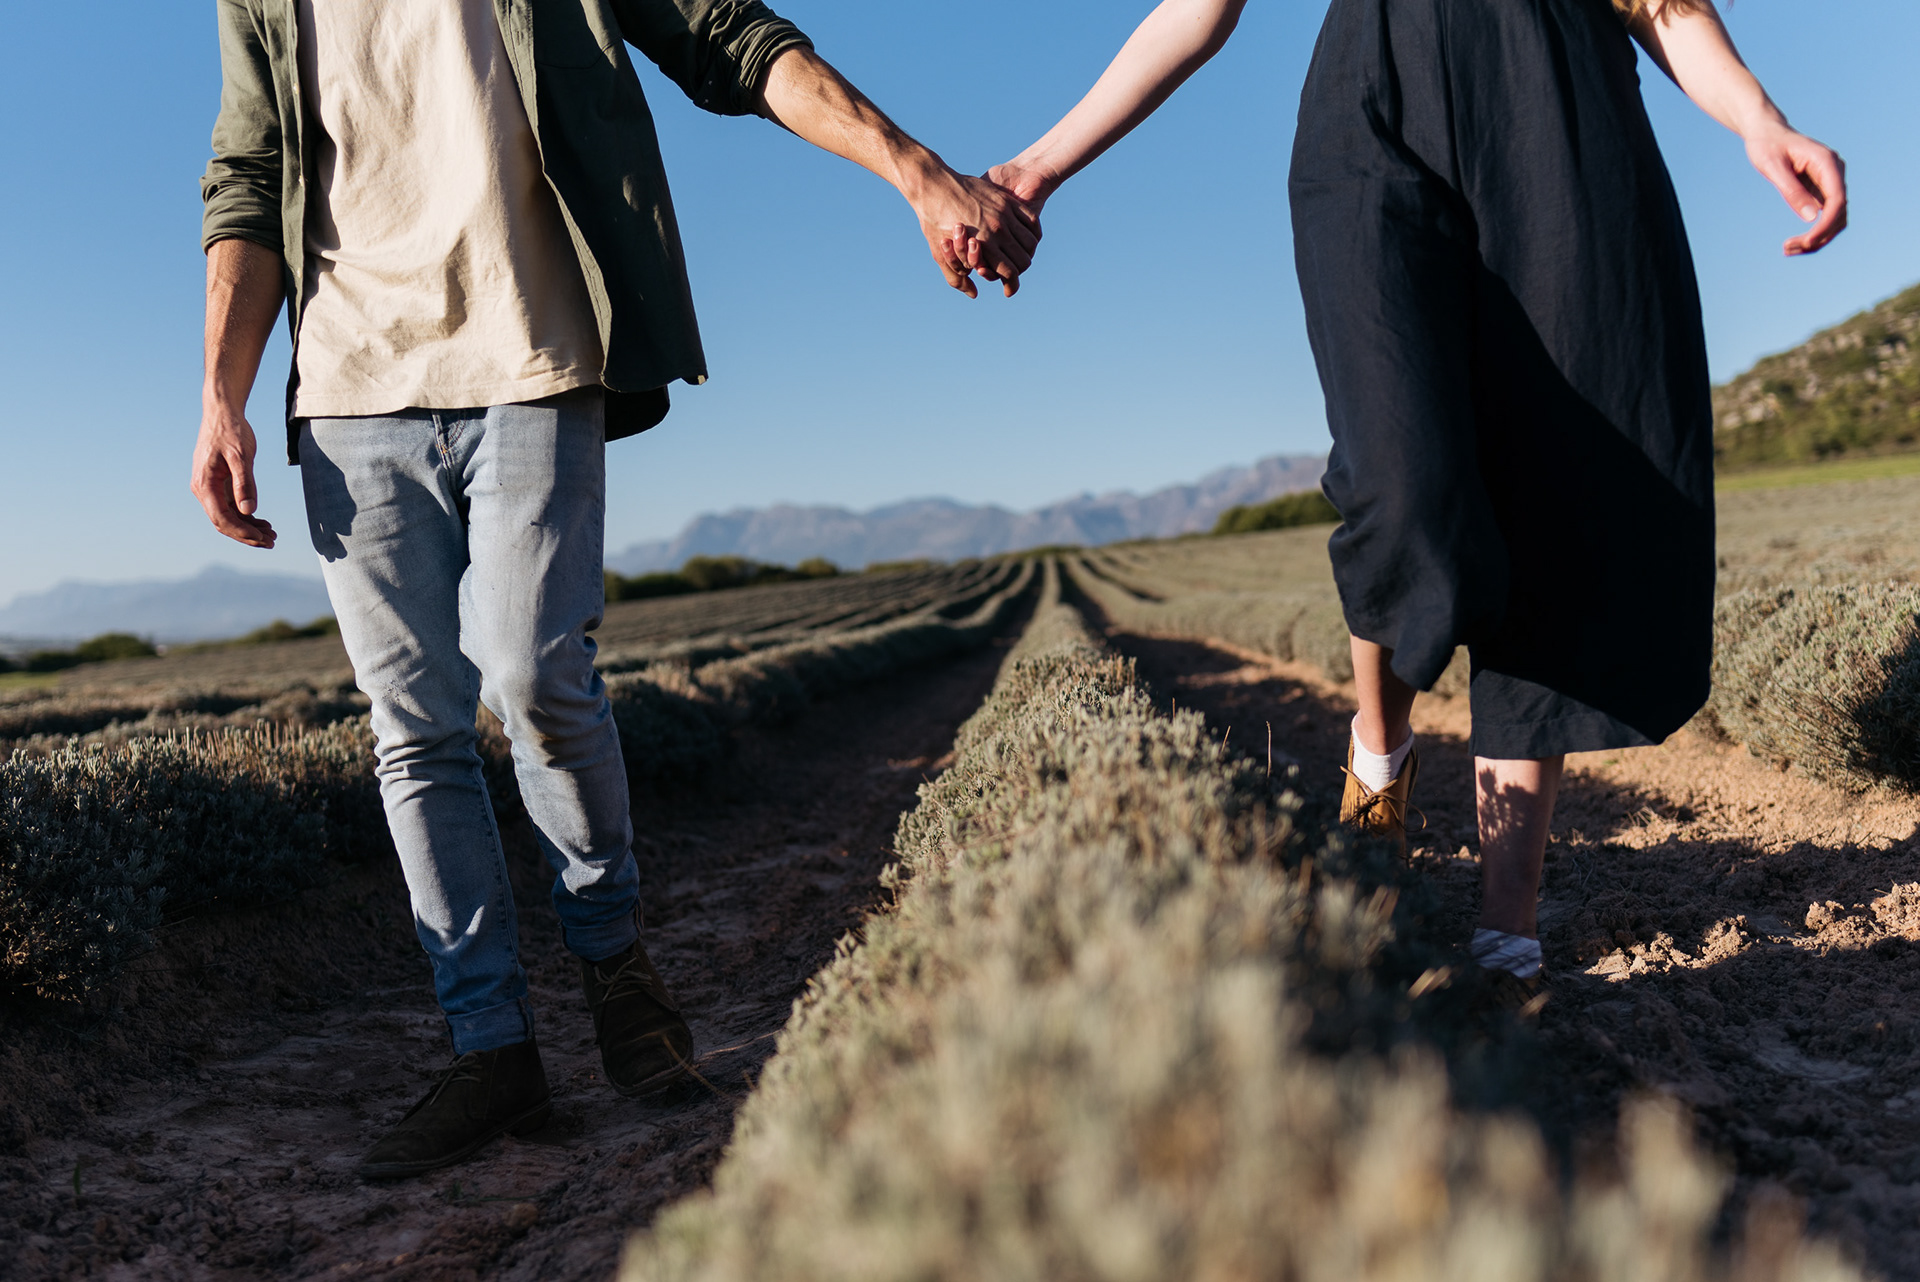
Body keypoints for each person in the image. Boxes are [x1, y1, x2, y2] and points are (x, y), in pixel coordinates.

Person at [192, 0, 1038, 1180]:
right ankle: (491, 1048)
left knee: (537, 673)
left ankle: (615, 966)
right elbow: (249, 171)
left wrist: (916, 171)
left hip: (530, 349)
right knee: (414, 730)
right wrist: (222, 394)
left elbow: (727, 36)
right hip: (347, 392)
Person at [979, 0, 1845, 999]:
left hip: (1560, 107)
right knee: (1400, 480)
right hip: (1371, 115)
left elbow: (1662, 6)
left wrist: (1760, 120)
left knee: (1557, 492)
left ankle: (1506, 927)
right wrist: (1038, 167)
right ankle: (1379, 757)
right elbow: (1198, 10)